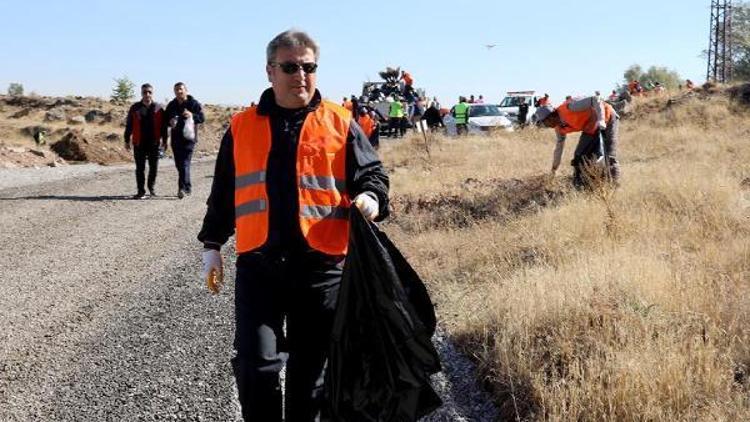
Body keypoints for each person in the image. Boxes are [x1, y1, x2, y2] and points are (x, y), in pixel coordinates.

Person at [197, 29, 389, 422]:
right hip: (260, 266)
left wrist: (372, 198)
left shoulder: (340, 122)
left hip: (322, 269)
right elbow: (224, 193)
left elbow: (372, 174)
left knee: (310, 376)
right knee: (256, 365)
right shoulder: (241, 126)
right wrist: (212, 244)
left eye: (308, 66)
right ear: (270, 71)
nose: (300, 74)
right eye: (290, 67)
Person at [534, 96, 620, 187]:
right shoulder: (559, 128)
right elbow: (559, 148)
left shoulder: (569, 108)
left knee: (610, 157)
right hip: (590, 128)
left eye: (545, 123)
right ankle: (583, 185)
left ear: (550, 117)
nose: (547, 126)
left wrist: (601, 119)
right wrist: (554, 169)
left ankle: (614, 186)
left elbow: (595, 99)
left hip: (608, 116)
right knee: (579, 157)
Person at [124, 83, 167, 199]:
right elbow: (129, 125)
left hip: (154, 143)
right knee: (140, 168)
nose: (147, 94)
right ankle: (141, 191)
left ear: (152, 93)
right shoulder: (135, 108)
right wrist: (126, 140)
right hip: (139, 143)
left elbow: (163, 126)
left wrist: (165, 141)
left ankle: (151, 188)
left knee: (154, 167)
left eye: (149, 92)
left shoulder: (159, 108)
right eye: (144, 92)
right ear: (141, 93)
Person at [164, 82, 204, 198]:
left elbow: (201, 118)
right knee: (179, 164)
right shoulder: (172, 105)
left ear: (186, 90)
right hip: (176, 139)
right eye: (176, 90)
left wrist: (191, 115)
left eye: (181, 89)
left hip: (189, 138)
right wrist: (170, 121)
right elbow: (165, 119)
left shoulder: (193, 103)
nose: (179, 92)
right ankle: (188, 187)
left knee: (184, 163)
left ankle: (181, 188)